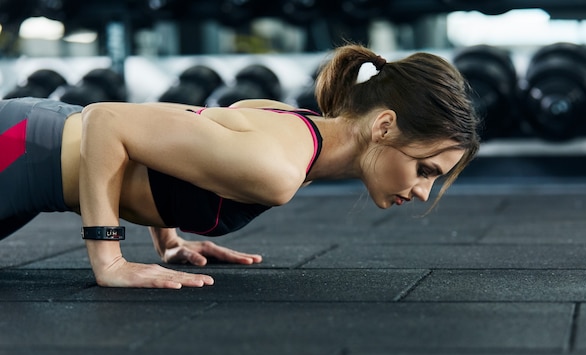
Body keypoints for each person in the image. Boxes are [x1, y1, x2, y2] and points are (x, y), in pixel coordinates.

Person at [0, 43, 480, 289]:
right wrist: (110, 262)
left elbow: (166, 140)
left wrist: (169, 241)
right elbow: (106, 122)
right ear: (384, 126)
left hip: (26, 145)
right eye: (427, 171)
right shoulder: (277, 169)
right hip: (18, 148)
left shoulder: (293, 127)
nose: (422, 191)